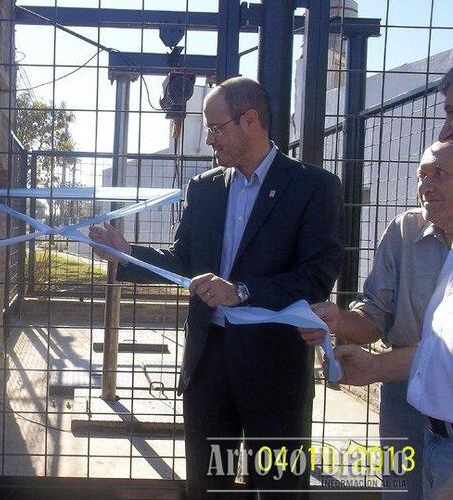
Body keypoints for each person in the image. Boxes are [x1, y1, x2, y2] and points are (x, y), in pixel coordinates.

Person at [89, 77, 345, 498]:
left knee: (280, 485)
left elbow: (316, 275)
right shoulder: (205, 188)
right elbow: (182, 262)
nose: (209, 140)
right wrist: (126, 254)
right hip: (208, 363)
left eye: (215, 127)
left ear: (249, 120)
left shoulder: (313, 187)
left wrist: (241, 290)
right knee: (206, 486)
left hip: (275, 367)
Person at [299, 77, 453, 498]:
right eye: (446, 115)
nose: (444, 131)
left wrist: (379, 366)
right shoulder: (407, 230)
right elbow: (375, 316)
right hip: (406, 401)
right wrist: (340, 320)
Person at [330, 241, 452, 499]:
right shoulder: (409, 235)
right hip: (427, 424)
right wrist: (375, 366)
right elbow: (439, 351)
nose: (422, 197)